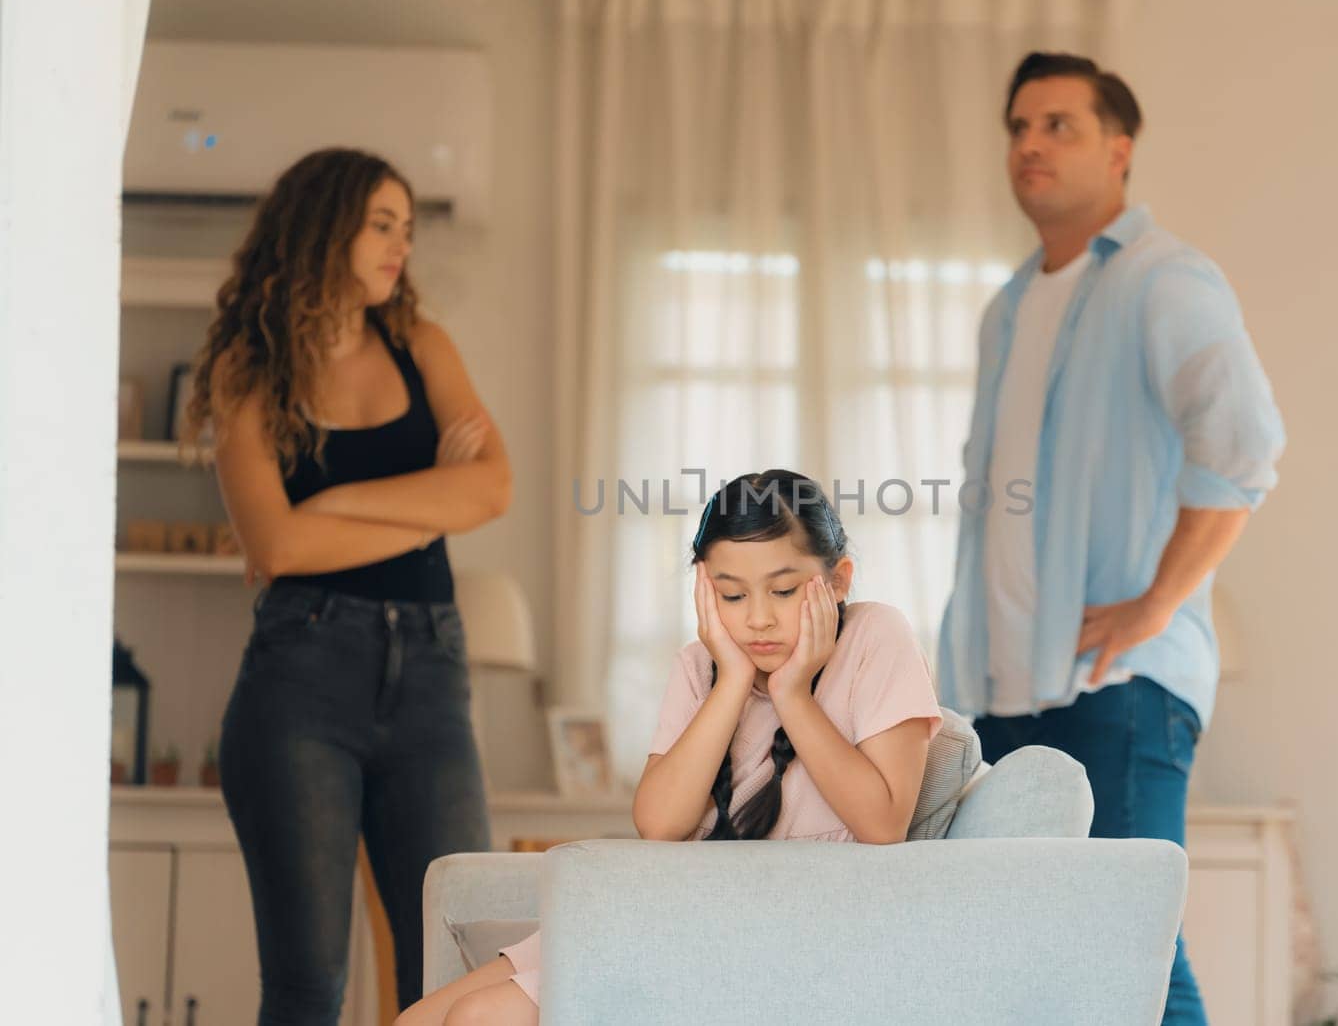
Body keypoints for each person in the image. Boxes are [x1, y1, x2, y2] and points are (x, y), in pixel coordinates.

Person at [937, 53, 1286, 1026]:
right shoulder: (1007, 308)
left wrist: (1156, 603)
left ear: (1119, 150)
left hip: (1116, 686)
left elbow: (1245, 447)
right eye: (1018, 126)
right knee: (1026, 964)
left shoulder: (1161, 278)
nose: (1029, 144)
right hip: (998, 696)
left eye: (1058, 125)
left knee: (1130, 952)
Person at [398, 470, 941, 1025]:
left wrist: (791, 693)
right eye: (731, 594)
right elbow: (659, 823)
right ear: (704, 589)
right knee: (414, 1021)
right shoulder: (702, 665)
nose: (757, 618)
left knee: (482, 1016)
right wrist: (732, 679)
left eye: (783, 591)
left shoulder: (877, 636)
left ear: (839, 579)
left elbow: (883, 823)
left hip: (751, 935)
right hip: (661, 911)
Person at [186, 147, 513, 1024]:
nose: (400, 244)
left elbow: (491, 487)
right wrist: (429, 501)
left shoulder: (422, 346)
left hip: (432, 675)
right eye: (380, 223)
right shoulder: (249, 370)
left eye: (406, 228)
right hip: (300, 675)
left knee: (455, 965)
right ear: (323, 225)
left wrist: (338, 497)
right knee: (305, 986)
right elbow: (278, 546)